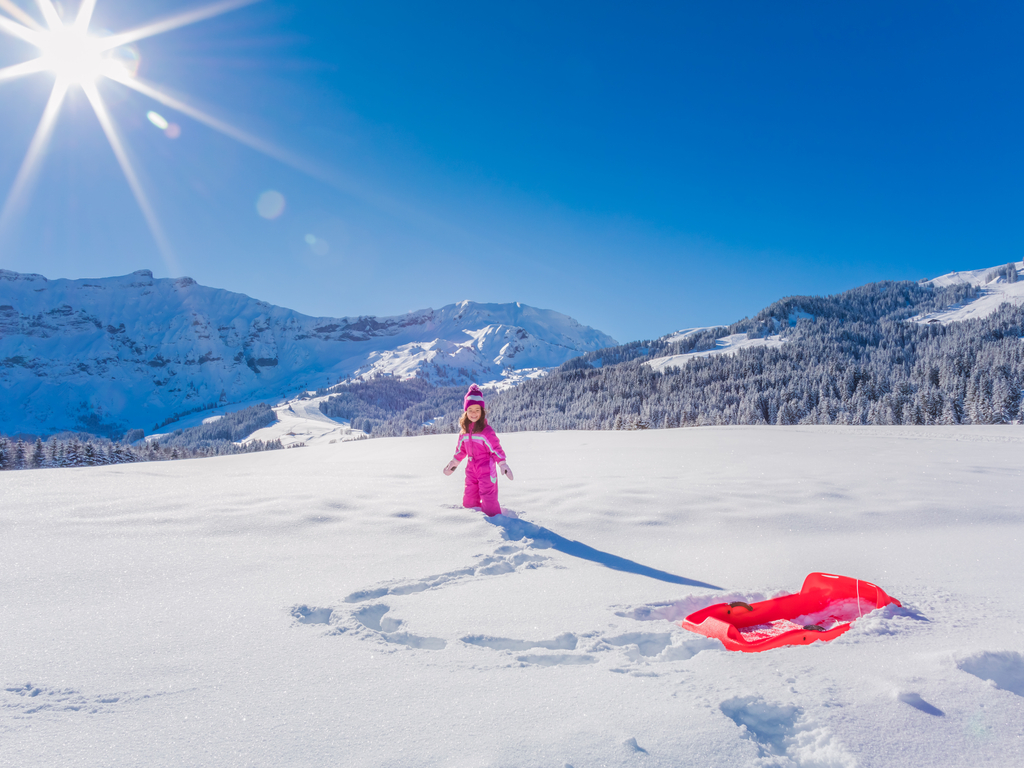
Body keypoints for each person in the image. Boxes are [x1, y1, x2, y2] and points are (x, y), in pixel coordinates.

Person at [443, 384, 513, 517]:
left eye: (477, 410)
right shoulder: (464, 432)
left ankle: (495, 522)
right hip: (471, 469)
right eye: (470, 410)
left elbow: (495, 448)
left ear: (482, 412)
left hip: (486, 468)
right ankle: (473, 524)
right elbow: (460, 450)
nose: (473, 413)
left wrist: (502, 464)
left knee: (488, 498)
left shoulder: (486, 431)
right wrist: (453, 463)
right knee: (469, 497)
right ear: (466, 411)